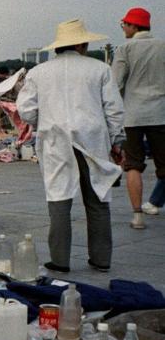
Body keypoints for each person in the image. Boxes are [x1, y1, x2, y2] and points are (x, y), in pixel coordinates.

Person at [18, 19, 124, 273]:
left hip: (56, 141)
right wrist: (117, 141)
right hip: (93, 140)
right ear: (81, 44)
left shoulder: (38, 72)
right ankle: (101, 259)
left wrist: (44, 123)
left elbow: (26, 110)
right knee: (97, 199)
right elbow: (114, 110)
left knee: (59, 199)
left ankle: (60, 259)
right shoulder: (100, 69)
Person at [111, 7, 165, 229]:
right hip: (160, 113)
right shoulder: (162, 47)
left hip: (132, 115)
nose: (123, 27)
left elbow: (116, 84)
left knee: (133, 165)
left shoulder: (125, 49)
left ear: (134, 26)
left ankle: (137, 217)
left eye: (125, 24)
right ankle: (155, 201)